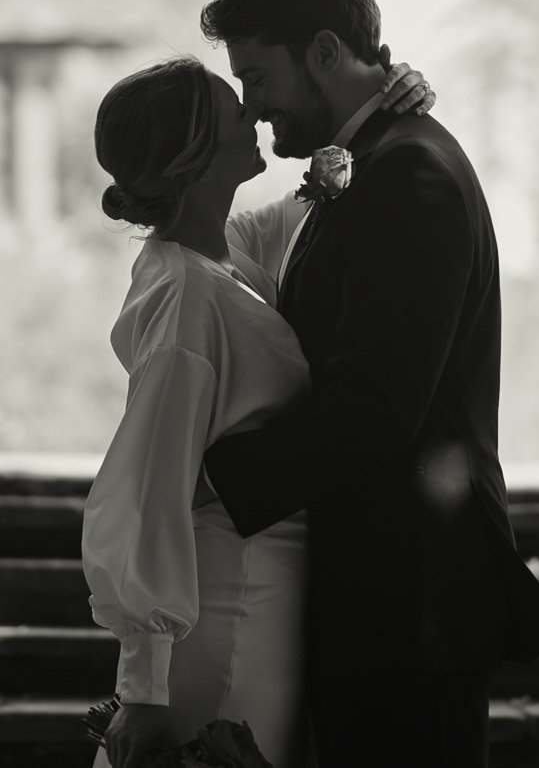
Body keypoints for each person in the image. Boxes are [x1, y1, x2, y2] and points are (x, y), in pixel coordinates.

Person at [196, 0, 539, 768]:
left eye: (258, 75)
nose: (253, 107)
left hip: (412, 603)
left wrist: (210, 479)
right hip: (377, 595)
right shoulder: (376, 163)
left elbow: (376, 406)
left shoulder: (411, 178)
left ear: (325, 53)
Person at [82, 53, 435, 768]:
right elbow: (145, 489)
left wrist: (384, 113)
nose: (254, 108)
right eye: (233, 107)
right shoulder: (185, 298)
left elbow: (316, 199)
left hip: (270, 595)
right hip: (228, 610)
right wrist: (143, 688)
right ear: (198, 153)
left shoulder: (222, 257)